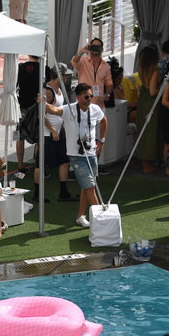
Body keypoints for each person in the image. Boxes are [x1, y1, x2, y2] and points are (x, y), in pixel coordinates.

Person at [62, 82, 107, 229]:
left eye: (91, 96)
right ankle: (102, 221)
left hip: (92, 153)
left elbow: (104, 121)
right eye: (86, 97)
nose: (89, 99)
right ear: (78, 97)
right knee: (90, 186)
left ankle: (81, 216)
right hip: (76, 155)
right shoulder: (69, 109)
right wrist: (43, 103)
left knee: (87, 187)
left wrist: (101, 141)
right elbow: (55, 110)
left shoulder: (95, 109)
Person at [37, 68, 73, 202]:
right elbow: (41, 115)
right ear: (59, 76)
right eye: (65, 76)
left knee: (65, 161)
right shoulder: (48, 91)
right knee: (40, 164)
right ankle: (37, 193)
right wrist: (52, 130)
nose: (67, 78)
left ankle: (63, 192)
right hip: (48, 133)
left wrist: (61, 126)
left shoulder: (59, 90)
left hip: (58, 131)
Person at [134, 46, 162, 175]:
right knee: (151, 131)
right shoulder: (155, 71)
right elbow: (152, 91)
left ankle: (146, 162)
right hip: (151, 102)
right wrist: (163, 88)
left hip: (143, 101)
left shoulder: (142, 70)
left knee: (143, 130)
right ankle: (147, 163)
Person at [71, 37, 113, 103]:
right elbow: (74, 61)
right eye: (93, 46)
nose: (95, 48)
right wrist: (81, 52)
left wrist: (107, 94)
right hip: (83, 102)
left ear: (102, 49)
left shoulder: (106, 66)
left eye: (98, 46)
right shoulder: (83, 61)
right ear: (90, 47)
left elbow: (109, 83)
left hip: (99, 103)